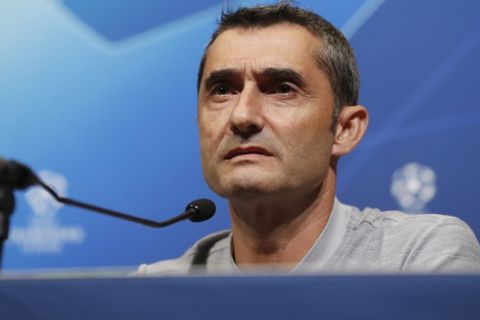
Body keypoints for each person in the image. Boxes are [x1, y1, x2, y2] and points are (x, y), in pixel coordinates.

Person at [138, 3, 480, 275]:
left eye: (283, 89)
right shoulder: (156, 289)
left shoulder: (418, 257)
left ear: (345, 130)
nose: (242, 116)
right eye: (223, 90)